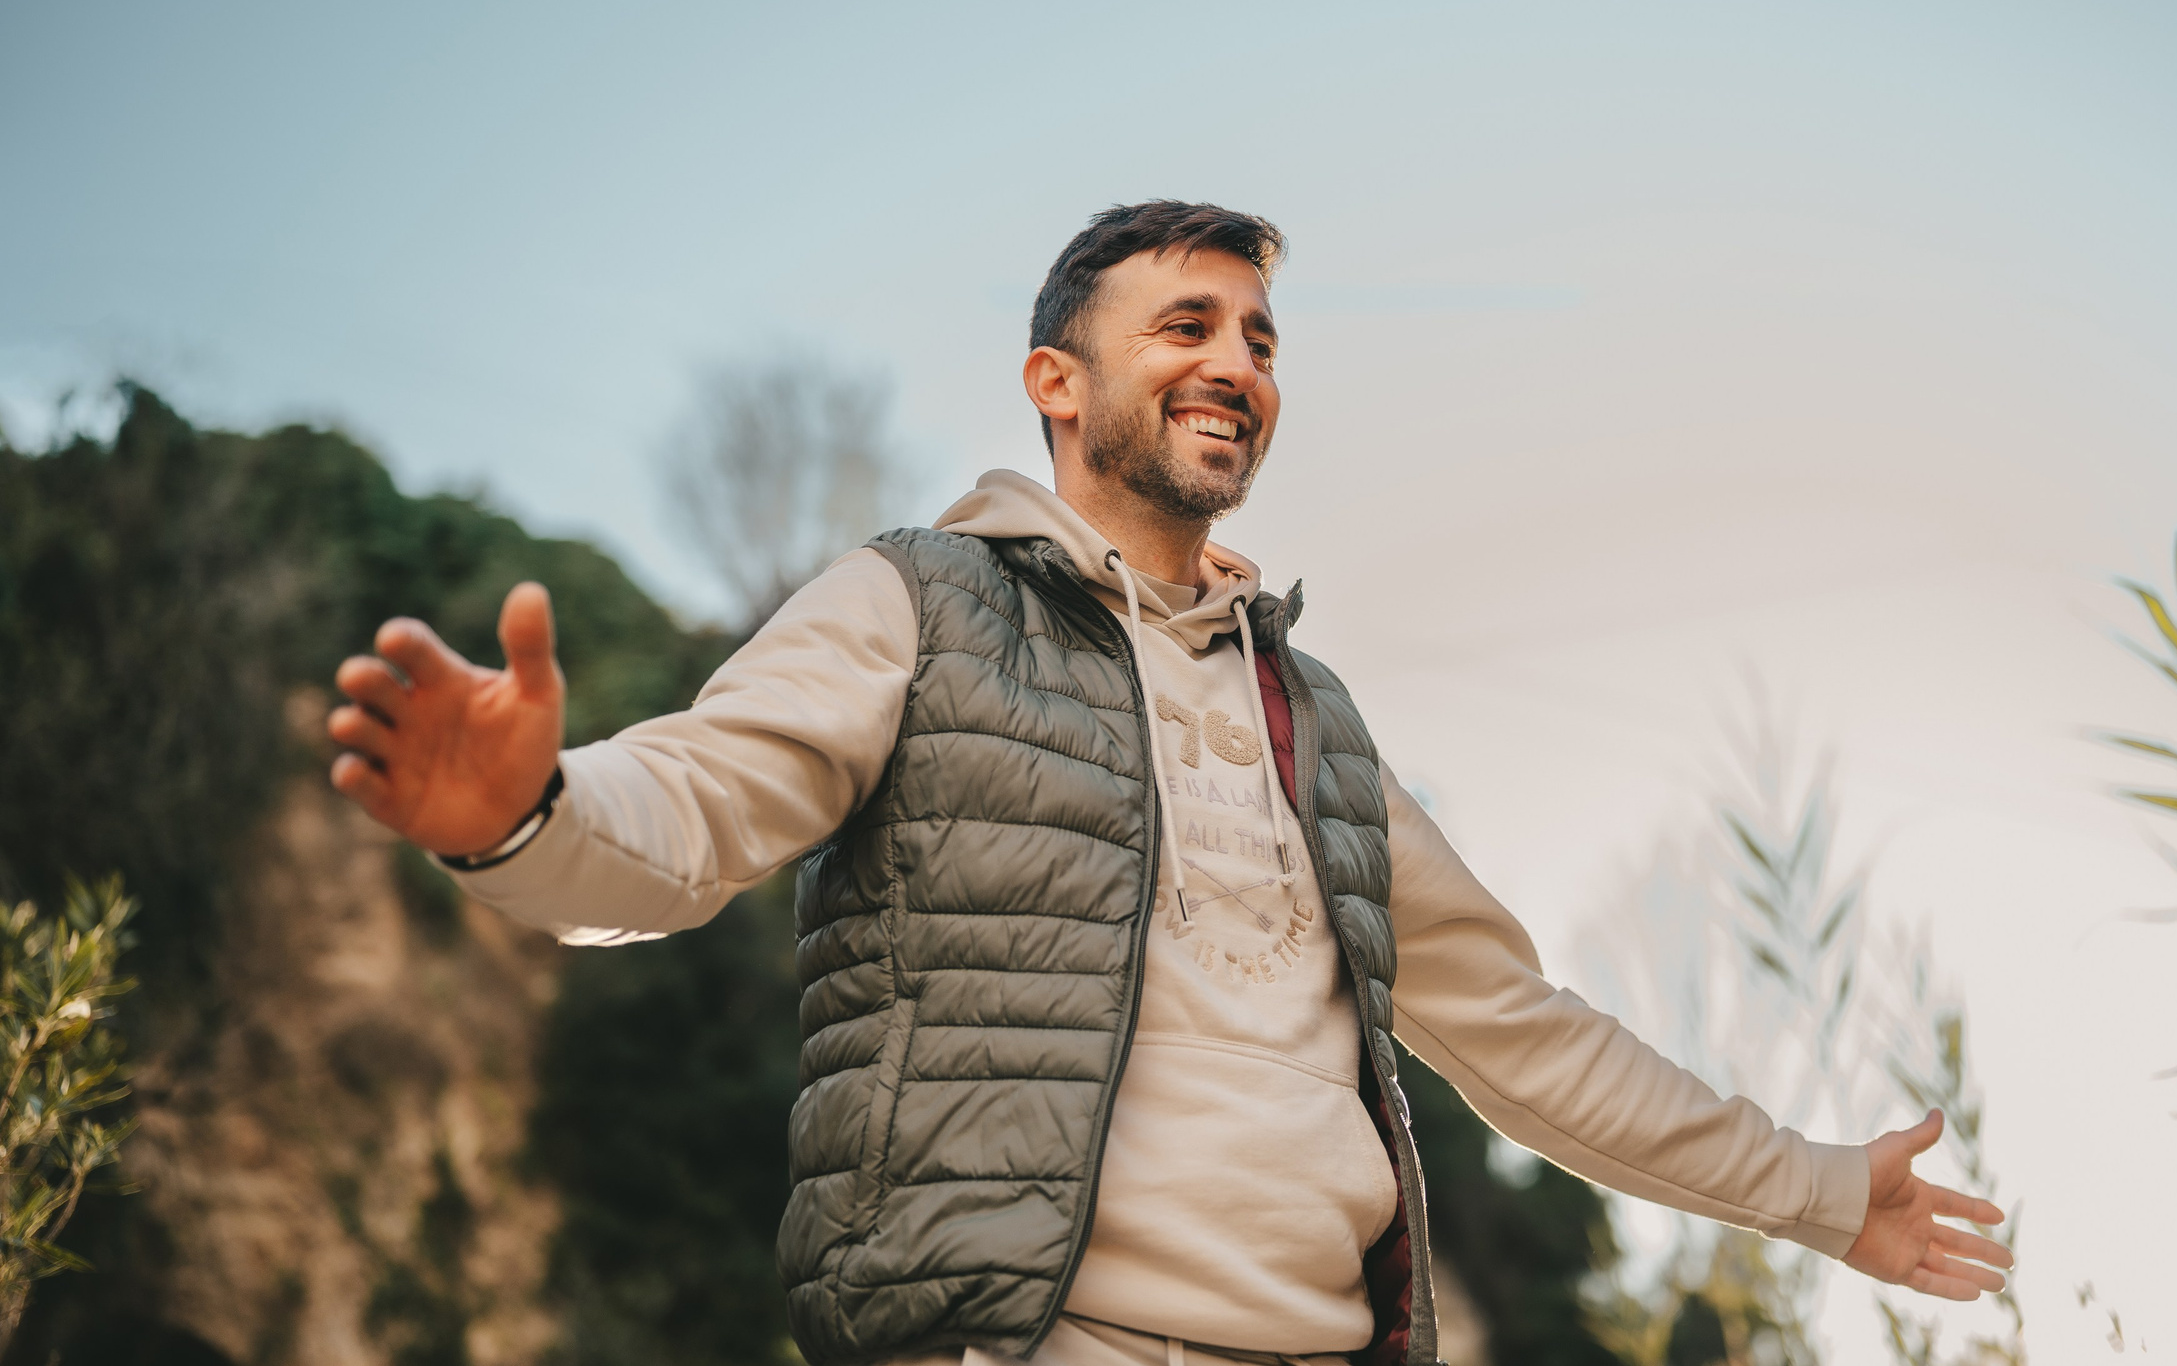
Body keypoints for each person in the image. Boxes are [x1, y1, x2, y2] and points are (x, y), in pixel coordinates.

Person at [325, 202, 2011, 1366]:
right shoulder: (923, 604)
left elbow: (1528, 1035)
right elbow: (690, 812)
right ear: (1057, 380)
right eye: (1187, 324)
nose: (1238, 362)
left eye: (1263, 337)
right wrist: (523, 819)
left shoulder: (1316, 725)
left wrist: (1814, 1192)